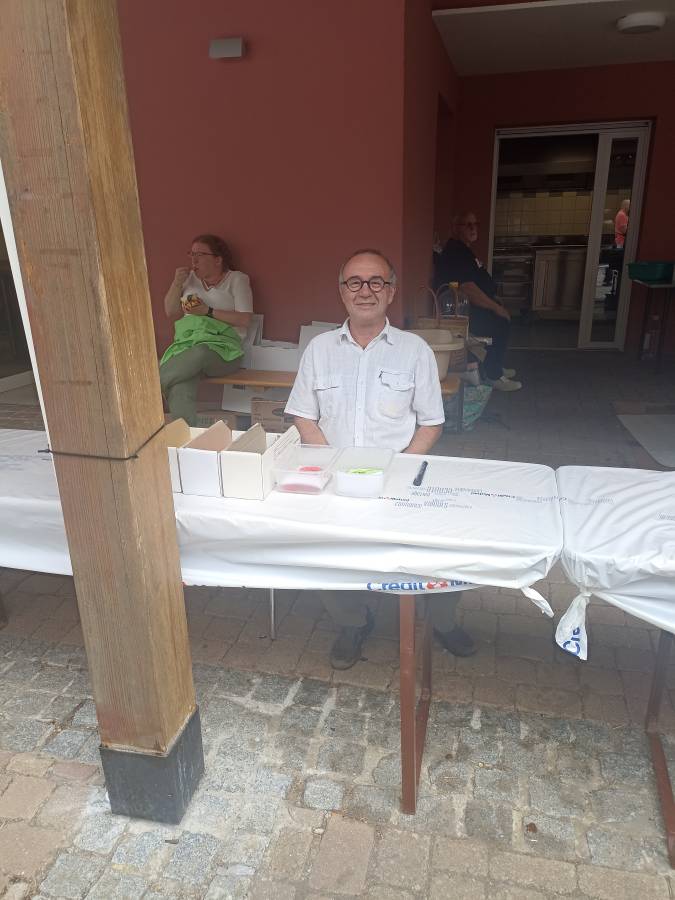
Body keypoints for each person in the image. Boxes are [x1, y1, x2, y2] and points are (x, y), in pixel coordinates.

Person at [285, 248, 476, 669]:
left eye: (376, 282)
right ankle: (352, 621)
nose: (365, 291)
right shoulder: (319, 349)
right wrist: (330, 466)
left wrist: (400, 470)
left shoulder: (415, 350)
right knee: (317, 551)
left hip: (400, 478)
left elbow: (431, 423)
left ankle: (442, 620)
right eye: (355, 282)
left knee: (452, 545)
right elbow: (303, 414)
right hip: (335, 480)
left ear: (391, 292)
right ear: (342, 291)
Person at [160, 234, 253, 425]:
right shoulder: (189, 279)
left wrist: (207, 311)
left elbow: (245, 319)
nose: (194, 260)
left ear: (218, 259)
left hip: (224, 351)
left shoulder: (237, 279)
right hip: (186, 346)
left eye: (200, 255)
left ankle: (146, 392)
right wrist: (176, 284)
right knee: (180, 386)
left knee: (200, 351)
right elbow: (171, 311)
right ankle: (186, 435)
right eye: (191, 254)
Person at [434, 213, 521, 392]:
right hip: (464, 310)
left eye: (475, 224)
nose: (473, 228)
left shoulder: (464, 249)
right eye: (467, 224)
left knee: (500, 320)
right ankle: (494, 375)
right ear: (455, 228)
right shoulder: (456, 251)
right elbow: (467, 288)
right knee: (500, 322)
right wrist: (496, 307)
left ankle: (495, 365)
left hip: (475, 305)